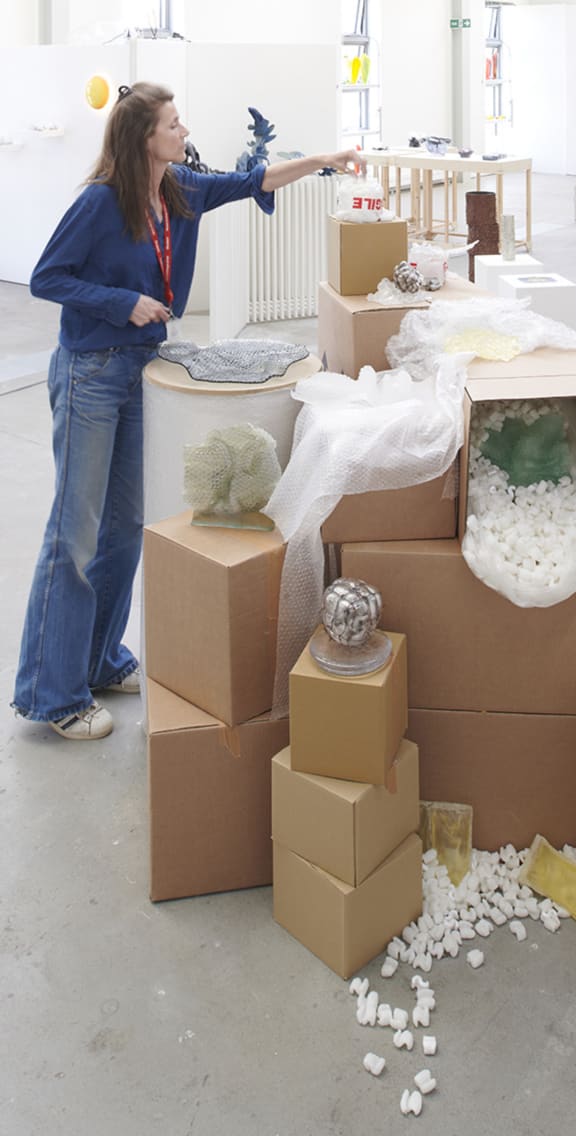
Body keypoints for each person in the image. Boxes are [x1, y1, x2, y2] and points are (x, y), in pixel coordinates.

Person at [12, 81, 363, 740]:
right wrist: (123, 303)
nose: (183, 130)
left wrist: (324, 159)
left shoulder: (182, 193)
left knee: (123, 529)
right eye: (173, 123)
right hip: (90, 372)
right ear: (145, 137)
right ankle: (52, 694)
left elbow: (254, 178)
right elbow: (46, 278)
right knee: (74, 533)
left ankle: (98, 659)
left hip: (139, 371)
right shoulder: (98, 203)